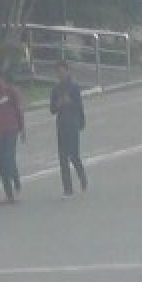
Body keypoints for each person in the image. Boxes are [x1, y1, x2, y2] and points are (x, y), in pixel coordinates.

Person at [50, 60, 87, 198]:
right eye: (58, 72)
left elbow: (79, 105)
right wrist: (58, 104)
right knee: (62, 158)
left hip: (72, 124)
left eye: (62, 71)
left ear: (67, 71)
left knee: (74, 155)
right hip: (61, 126)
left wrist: (81, 120)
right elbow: (52, 109)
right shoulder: (55, 89)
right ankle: (68, 188)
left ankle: (81, 174)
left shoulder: (74, 87)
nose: (60, 74)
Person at [0, 69, 25, 204]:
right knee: (1, 163)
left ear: (2, 78)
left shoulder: (11, 92)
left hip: (11, 130)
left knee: (8, 158)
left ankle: (15, 180)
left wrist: (22, 129)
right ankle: (8, 193)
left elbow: (19, 110)